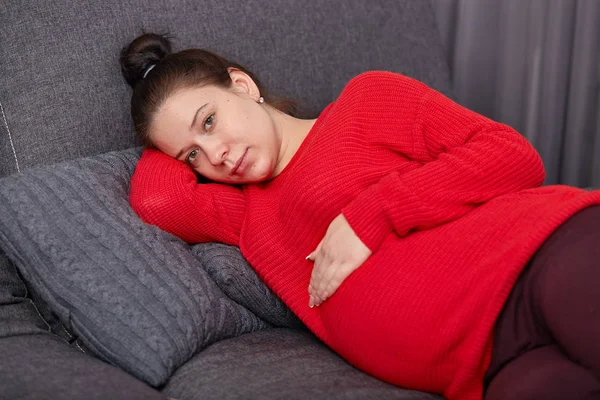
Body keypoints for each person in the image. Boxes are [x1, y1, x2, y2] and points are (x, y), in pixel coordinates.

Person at [120, 33, 600, 400]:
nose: (216, 155)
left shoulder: (364, 102)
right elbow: (157, 201)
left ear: (242, 85)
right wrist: (162, 118)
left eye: (209, 121)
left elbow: (512, 156)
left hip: (540, 257)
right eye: (192, 157)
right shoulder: (246, 213)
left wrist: (372, 214)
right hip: (488, 365)